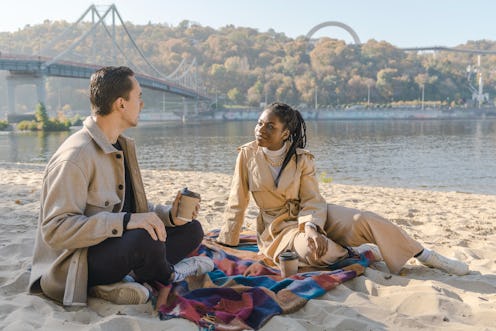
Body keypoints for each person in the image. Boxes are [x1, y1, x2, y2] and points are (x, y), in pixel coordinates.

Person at [28, 66, 214, 306]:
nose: (142, 104)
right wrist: (125, 222)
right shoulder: (75, 157)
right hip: (77, 263)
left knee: (192, 229)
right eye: (139, 97)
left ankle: (120, 282)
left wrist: (171, 216)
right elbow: (55, 230)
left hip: (113, 246)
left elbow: (131, 209)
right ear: (121, 104)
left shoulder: (119, 146)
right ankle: (169, 274)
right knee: (146, 240)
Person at [216, 102, 469, 276]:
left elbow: (313, 200)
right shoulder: (246, 155)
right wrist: (228, 241)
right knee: (316, 252)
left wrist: (313, 227)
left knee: (364, 219)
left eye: (270, 126)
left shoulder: (302, 159)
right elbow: (236, 200)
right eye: (259, 123)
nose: (261, 129)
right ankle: (357, 251)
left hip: (311, 215)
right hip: (279, 229)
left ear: (286, 133)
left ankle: (425, 255)